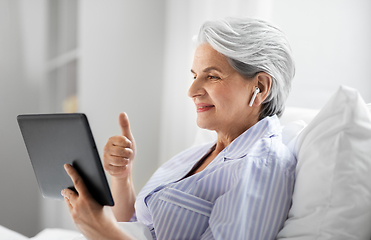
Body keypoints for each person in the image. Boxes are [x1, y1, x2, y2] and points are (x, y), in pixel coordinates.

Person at [61, 17, 296, 240]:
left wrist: (102, 230)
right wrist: (122, 178)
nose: (192, 91)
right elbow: (135, 225)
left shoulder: (261, 164)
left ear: (261, 87)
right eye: (194, 76)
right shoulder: (202, 154)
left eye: (212, 76)